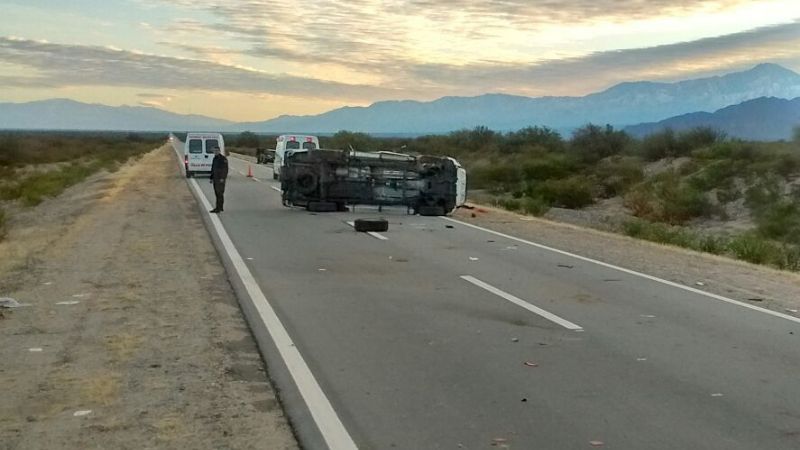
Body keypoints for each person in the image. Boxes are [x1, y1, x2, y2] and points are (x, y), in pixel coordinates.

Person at [209, 146, 228, 213]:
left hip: (220, 179)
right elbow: (213, 169)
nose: (216, 152)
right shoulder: (215, 158)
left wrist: (223, 178)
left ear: (219, 151)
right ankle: (219, 207)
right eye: (215, 151)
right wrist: (211, 178)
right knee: (217, 194)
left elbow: (225, 169)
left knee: (220, 193)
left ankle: (218, 208)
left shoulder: (223, 159)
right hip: (215, 179)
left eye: (217, 150)